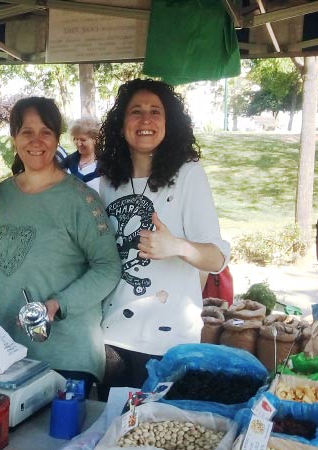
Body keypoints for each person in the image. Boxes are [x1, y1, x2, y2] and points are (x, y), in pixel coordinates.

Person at [98, 78, 230, 395]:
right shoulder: (109, 180)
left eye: (156, 111)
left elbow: (217, 258)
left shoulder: (188, 175)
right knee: (110, 429)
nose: (146, 120)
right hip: (111, 337)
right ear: (121, 123)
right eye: (136, 111)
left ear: (169, 123)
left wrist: (177, 246)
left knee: (156, 433)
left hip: (168, 340)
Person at [0, 97, 121, 394]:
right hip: (9, 353)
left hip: (66, 359)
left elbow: (108, 267)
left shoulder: (80, 200)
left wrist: (56, 304)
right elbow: (1, 250)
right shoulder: (2, 194)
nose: (36, 141)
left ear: (57, 138)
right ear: (14, 139)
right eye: (27, 132)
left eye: (46, 131)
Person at [62, 116, 101, 191]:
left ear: (95, 140)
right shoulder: (68, 162)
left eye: (83, 140)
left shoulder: (105, 165)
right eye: (76, 139)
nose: (78, 143)